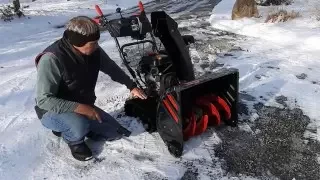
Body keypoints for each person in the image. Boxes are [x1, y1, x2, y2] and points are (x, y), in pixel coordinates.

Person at [34, 16, 147, 161]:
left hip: (81, 105)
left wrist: (131, 86)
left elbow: (111, 68)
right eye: (92, 43)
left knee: (115, 132)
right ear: (77, 43)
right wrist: (81, 108)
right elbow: (44, 101)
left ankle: (81, 126)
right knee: (79, 125)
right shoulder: (51, 59)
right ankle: (73, 140)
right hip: (51, 111)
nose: (96, 46)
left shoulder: (94, 51)